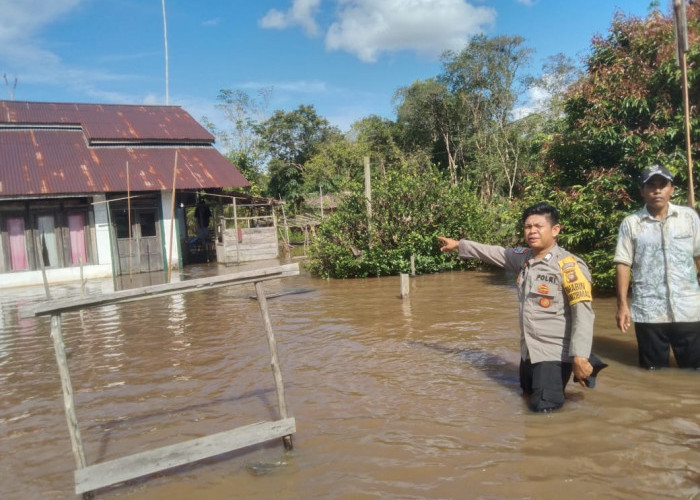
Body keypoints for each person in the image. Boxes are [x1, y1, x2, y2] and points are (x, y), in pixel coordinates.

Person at [439, 202, 597, 412]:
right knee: (528, 399)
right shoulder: (524, 258)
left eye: (538, 226)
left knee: (545, 412)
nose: (532, 231)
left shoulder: (569, 266)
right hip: (529, 351)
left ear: (555, 230)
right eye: (527, 226)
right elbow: (493, 252)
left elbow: (583, 313)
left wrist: (580, 356)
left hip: (553, 353)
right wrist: (460, 244)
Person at [614, 164, 700, 370]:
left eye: (663, 185)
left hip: (689, 309)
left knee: (695, 371)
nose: (657, 190)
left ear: (672, 189)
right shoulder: (631, 223)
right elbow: (623, 263)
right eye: (651, 185)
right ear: (642, 191)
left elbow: (698, 256)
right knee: (652, 374)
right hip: (649, 311)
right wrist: (622, 305)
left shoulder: (689, 217)